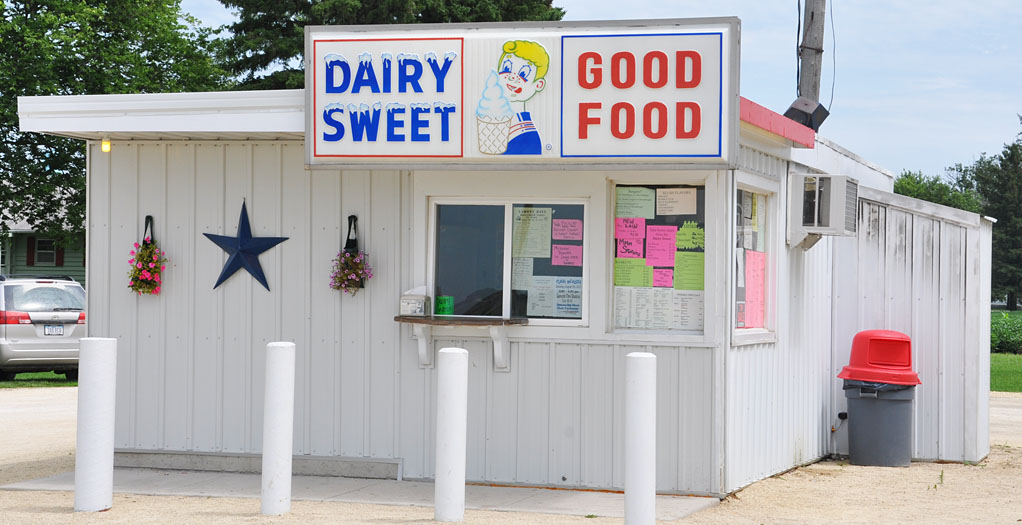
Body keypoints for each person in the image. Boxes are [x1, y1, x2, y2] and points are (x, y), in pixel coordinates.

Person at [495, 40, 549, 155]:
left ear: (538, 85)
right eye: (506, 68)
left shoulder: (526, 136)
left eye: (523, 73)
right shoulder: (502, 123)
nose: (512, 77)